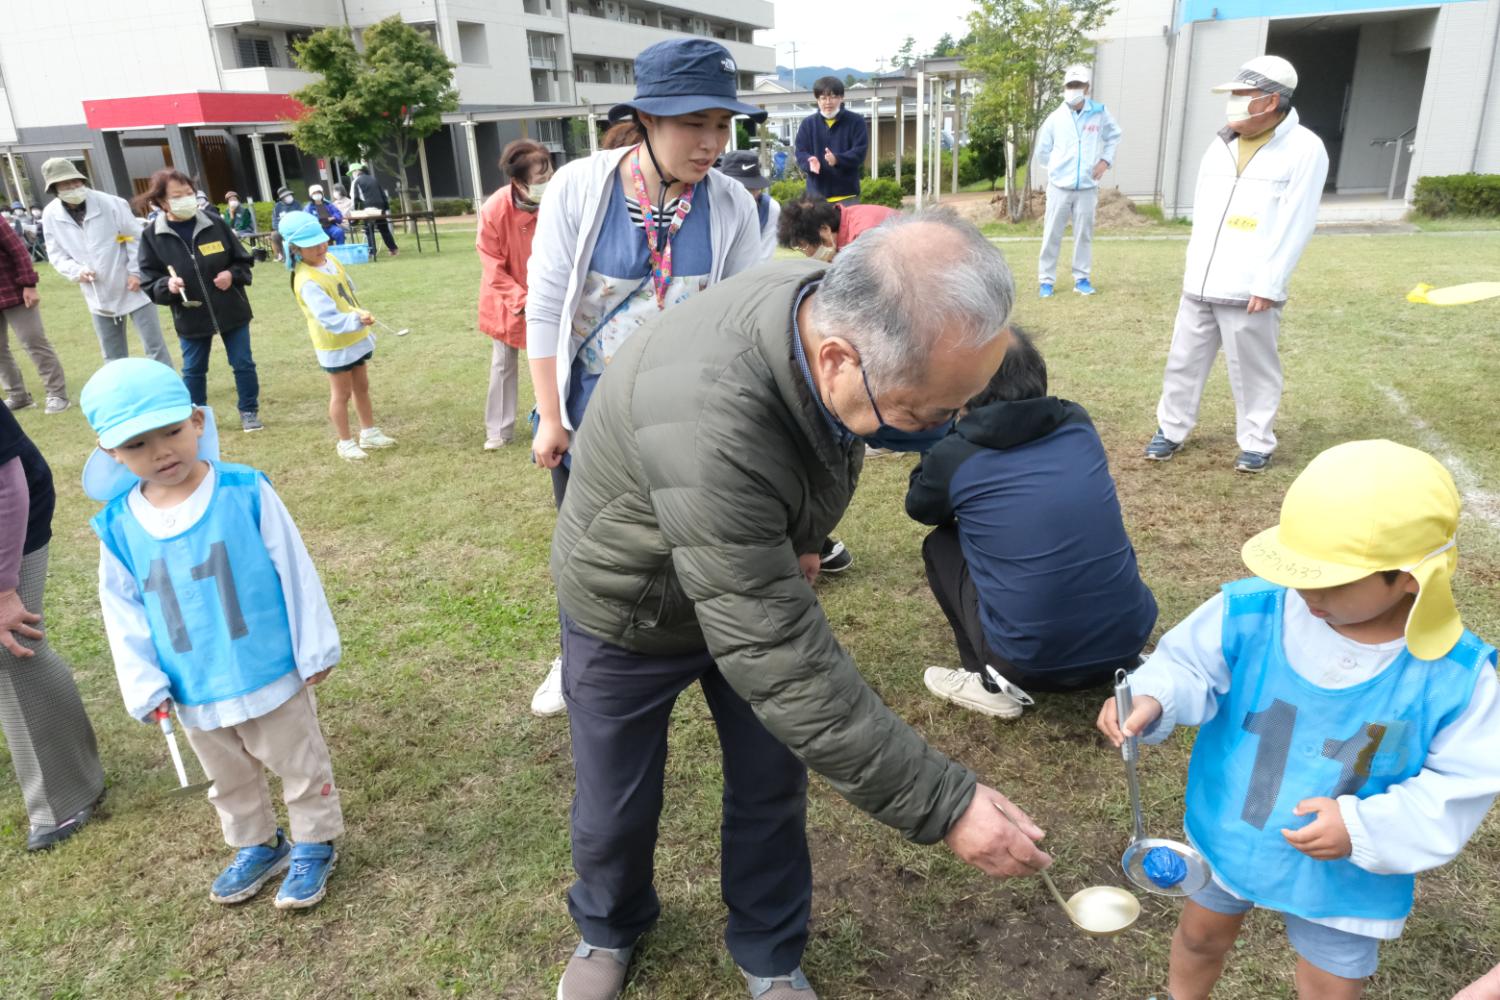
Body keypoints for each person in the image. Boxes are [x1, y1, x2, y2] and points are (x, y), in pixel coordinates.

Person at [549, 213, 1053, 1000]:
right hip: (632, 607)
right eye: (925, 415)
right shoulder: (711, 417)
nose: (942, 431)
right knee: (616, 798)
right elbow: (780, 658)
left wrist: (806, 532)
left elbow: (821, 439)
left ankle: (769, 951)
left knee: (770, 784)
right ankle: (607, 929)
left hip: (748, 565)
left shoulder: (823, 310)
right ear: (838, 359)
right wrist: (945, 804)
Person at [1098, 440, 1500, 1000]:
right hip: (1232, 832)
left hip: (1344, 876)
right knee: (1199, 938)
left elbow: (1461, 784)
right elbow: (1187, 662)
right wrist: (1154, 695)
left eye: (1331, 579)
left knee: (1330, 983)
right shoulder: (1254, 610)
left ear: (1411, 576)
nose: (1307, 591)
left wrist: (1361, 828)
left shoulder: (1458, 678)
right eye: (1299, 570)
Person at [524, 37, 769, 720]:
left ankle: (713, 645)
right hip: (590, 412)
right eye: (695, 123)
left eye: (722, 124)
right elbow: (545, 305)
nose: (712, 142)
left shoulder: (731, 204)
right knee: (591, 546)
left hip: (687, 416)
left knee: (697, 535)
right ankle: (576, 653)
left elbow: (746, 316)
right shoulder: (581, 185)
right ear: (650, 119)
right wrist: (551, 416)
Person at [81, 358, 346, 909]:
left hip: (267, 666)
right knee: (226, 775)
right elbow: (122, 611)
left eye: (172, 431)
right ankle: (256, 843)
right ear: (111, 453)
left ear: (197, 421)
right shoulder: (118, 526)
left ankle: (314, 840)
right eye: (137, 445)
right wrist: (144, 682)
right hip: (192, 682)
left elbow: (292, 567)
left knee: (297, 760)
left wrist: (313, 643)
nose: (161, 453)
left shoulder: (244, 490)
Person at [905, 328, 1157, 718]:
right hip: (1128, 639)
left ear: (965, 386)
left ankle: (987, 682)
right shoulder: (1076, 422)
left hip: (1025, 663)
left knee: (941, 544)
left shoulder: (955, 454)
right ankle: (1114, 655)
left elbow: (922, 508)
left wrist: (937, 440)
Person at [1144, 55, 1328, 474]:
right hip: (1201, 282)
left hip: (1251, 288)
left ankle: (1257, 441)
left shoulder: (1304, 149)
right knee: (1182, 360)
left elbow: (1298, 223)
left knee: (1253, 368)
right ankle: (1170, 430)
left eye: (1244, 95)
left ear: (1270, 102)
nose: (1235, 103)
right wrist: (1192, 268)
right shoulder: (1221, 142)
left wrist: (1270, 282)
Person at [0, 401, 106, 851]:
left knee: (12, 647)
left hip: (8, 517)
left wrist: (4, 589)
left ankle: (65, 795)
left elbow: (8, 489)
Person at [136, 169, 263, 434]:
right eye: (177, 196)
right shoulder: (152, 236)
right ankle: (196, 416)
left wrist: (231, 274)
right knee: (194, 369)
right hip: (190, 314)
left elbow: (242, 260)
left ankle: (249, 411)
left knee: (243, 363)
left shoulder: (215, 223)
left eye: (189, 194)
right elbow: (149, 280)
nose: (186, 200)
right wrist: (166, 285)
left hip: (231, 308)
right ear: (160, 202)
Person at [277, 210, 395, 461]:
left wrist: (359, 313)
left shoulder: (330, 259)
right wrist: (355, 319)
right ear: (295, 249)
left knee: (362, 386)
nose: (321, 247)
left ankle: (369, 432)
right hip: (334, 344)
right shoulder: (306, 280)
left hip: (355, 337)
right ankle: (345, 441)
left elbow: (346, 292)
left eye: (321, 240)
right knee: (341, 394)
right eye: (311, 245)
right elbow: (329, 319)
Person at [40, 158, 174, 368]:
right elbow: (56, 253)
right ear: (55, 189)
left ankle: (168, 391)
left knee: (154, 347)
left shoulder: (110, 203)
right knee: (112, 355)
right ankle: (119, 395)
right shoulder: (50, 215)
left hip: (134, 286)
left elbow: (132, 238)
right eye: (66, 185)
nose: (74, 188)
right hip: (97, 292)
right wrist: (77, 271)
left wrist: (136, 272)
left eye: (77, 183)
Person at [476, 139, 552, 451]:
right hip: (507, 300)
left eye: (549, 175)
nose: (547, 183)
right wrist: (520, 299)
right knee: (504, 363)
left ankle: (547, 418)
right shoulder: (495, 208)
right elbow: (491, 263)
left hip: (547, 292)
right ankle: (498, 430)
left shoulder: (558, 200)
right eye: (540, 179)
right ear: (518, 181)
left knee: (550, 357)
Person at [1033, 64, 1120, 298]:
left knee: (1084, 234)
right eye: (1070, 86)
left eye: (1078, 85)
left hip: (1088, 187)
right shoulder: (1054, 118)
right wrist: (1054, 169)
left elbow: (1114, 135)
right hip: (1060, 187)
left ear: (1087, 88)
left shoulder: (1100, 113)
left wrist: (1105, 161)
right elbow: (1043, 150)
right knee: (1052, 233)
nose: (1074, 90)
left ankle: (1081, 278)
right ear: (1064, 88)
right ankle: (1046, 281)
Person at [0, 212, 69, 413]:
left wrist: (29, 284)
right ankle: (17, 395)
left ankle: (57, 394)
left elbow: (19, 251)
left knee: (33, 341)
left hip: (14, 291)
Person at [794, 76, 868, 204]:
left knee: (847, 225)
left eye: (833, 97)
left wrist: (837, 159)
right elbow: (800, 152)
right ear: (817, 100)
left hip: (847, 196)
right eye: (823, 98)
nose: (828, 102)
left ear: (841, 98)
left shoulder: (856, 121)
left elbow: (860, 152)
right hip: (815, 198)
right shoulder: (808, 124)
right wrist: (809, 162)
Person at [778, 197, 897, 261]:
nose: (807, 255)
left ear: (824, 230)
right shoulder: (846, 219)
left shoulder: (864, 239)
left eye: (804, 246)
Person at [719, 150, 779, 260]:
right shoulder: (708, 202)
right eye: (743, 188)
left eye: (753, 188)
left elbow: (762, 258)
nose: (748, 195)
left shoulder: (770, 208)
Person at [349, 163, 399, 259]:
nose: (353, 175)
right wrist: (386, 209)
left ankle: (372, 252)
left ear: (356, 171)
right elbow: (383, 194)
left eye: (352, 173)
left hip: (369, 208)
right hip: (381, 208)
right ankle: (394, 249)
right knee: (384, 229)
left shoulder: (357, 181)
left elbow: (355, 199)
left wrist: (355, 216)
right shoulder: (373, 178)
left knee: (369, 230)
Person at [270, 186, 300, 263]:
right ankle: (283, 256)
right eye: (286, 196)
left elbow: (302, 217)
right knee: (274, 235)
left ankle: (298, 253)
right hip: (283, 230)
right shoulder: (277, 207)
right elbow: (275, 222)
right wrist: (281, 229)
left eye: (289, 195)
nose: (288, 197)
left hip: (297, 228)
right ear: (282, 198)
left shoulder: (297, 204)